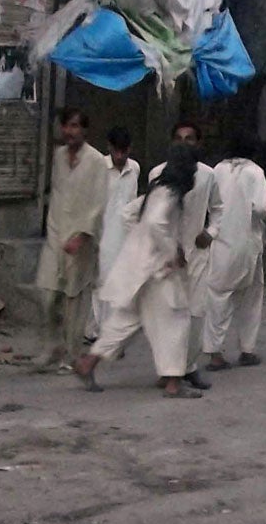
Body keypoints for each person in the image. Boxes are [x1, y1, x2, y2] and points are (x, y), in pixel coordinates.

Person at [77, 143, 205, 399]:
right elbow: (157, 223)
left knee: (127, 320)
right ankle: (172, 382)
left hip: (141, 270)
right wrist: (171, 251)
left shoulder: (156, 190)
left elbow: (130, 214)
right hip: (158, 271)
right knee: (175, 321)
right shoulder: (170, 193)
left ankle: (87, 363)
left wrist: (140, 244)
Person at [35, 107, 106, 369]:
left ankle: (73, 353)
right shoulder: (59, 156)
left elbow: (99, 203)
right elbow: (57, 194)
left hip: (81, 238)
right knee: (47, 294)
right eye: (67, 126)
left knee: (75, 298)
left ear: (84, 130)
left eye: (76, 126)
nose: (70, 132)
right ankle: (52, 346)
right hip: (56, 233)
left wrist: (83, 235)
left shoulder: (97, 161)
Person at [160, 119, 222, 391]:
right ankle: (168, 371)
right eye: (179, 138)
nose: (184, 144)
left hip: (197, 253)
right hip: (168, 257)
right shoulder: (158, 174)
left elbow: (218, 208)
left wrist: (210, 232)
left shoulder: (208, 176)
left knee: (196, 312)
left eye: (190, 139)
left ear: (199, 144)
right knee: (169, 314)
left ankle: (189, 368)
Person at [202, 141, 266, 370]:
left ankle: (214, 352)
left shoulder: (217, 169)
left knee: (218, 296)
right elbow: (262, 208)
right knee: (251, 298)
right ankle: (247, 349)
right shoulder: (255, 172)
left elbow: (208, 203)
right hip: (248, 244)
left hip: (220, 242)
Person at [93, 126, 141, 337]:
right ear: (109, 148)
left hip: (125, 233)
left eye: (124, 151)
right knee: (101, 282)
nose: (120, 156)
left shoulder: (135, 169)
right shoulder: (98, 168)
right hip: (102, 231)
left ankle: (106, 331)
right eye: (116, 151)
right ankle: (102, 332)